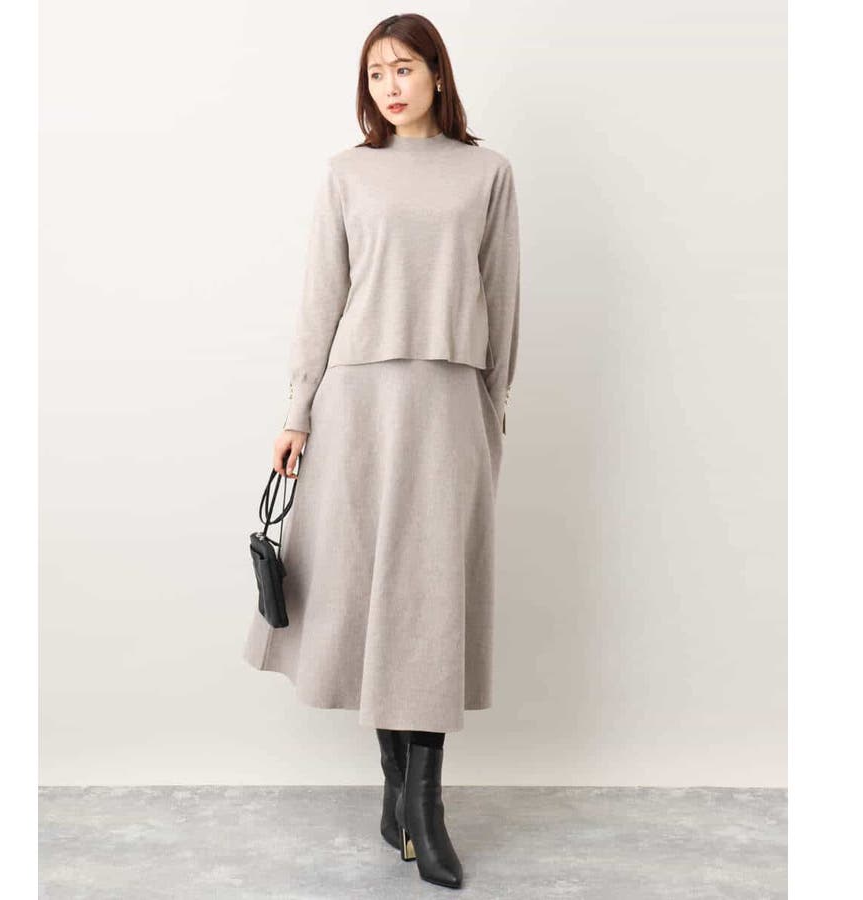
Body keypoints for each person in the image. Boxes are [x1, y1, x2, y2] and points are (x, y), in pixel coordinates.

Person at [242, 12, 521, 890]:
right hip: (358, 403)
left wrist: (492, 409)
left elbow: (504, 299)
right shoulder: (347, 174)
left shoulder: (487, 173)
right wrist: (297, 412)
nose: (389, 86)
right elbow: (320, 299)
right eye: (374, 74)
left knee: (428, 599)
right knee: (372, 595)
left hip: (448, 401)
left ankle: (422, 806)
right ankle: (400, 794)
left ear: (437, 72)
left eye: (403, 68)